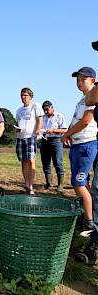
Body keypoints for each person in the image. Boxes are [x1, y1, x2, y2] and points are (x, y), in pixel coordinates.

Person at [62, 67, 97, 235]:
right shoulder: (81, 101)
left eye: (83, 79)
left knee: (78, 183)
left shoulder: (93, 98)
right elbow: (75, 120)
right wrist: (68, 134)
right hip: (78, 145)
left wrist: (67, 134)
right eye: (77, 80)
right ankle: (88, 214)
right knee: (83, 183)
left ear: (93, 81)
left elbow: (85, 121)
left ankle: (89, 223)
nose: (79, 82)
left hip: (86, 145)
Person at [77, 41, 98, 264]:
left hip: (88, 143)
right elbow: (91, 99)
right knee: (97, 192)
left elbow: (91, 101)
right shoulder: (91, 93)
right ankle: (94, 243)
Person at [15, 87, 43, 195]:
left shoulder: (35, 106)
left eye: (25, 95)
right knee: (23, 161)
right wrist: (16, 129)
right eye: (22, 95)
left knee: (31, 160)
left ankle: (31, 186)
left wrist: (37, 131)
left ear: (30, 96)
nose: (23, 97)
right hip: (20, 137)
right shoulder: (19, 110)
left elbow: (39, 120)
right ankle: (26, 184)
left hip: (31, 136)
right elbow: (18, 123)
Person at [40, 100, 67, 191]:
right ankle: (49, 184)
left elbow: (64, 130)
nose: (46, 111)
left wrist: (54, 130)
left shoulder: (60, 116)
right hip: (44, 141)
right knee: (46, 163)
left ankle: (60, 185)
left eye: (47, 109)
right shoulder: (42, 118)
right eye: (44, 110)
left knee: (58, 162)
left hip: (56, 140)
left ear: (52, 108)